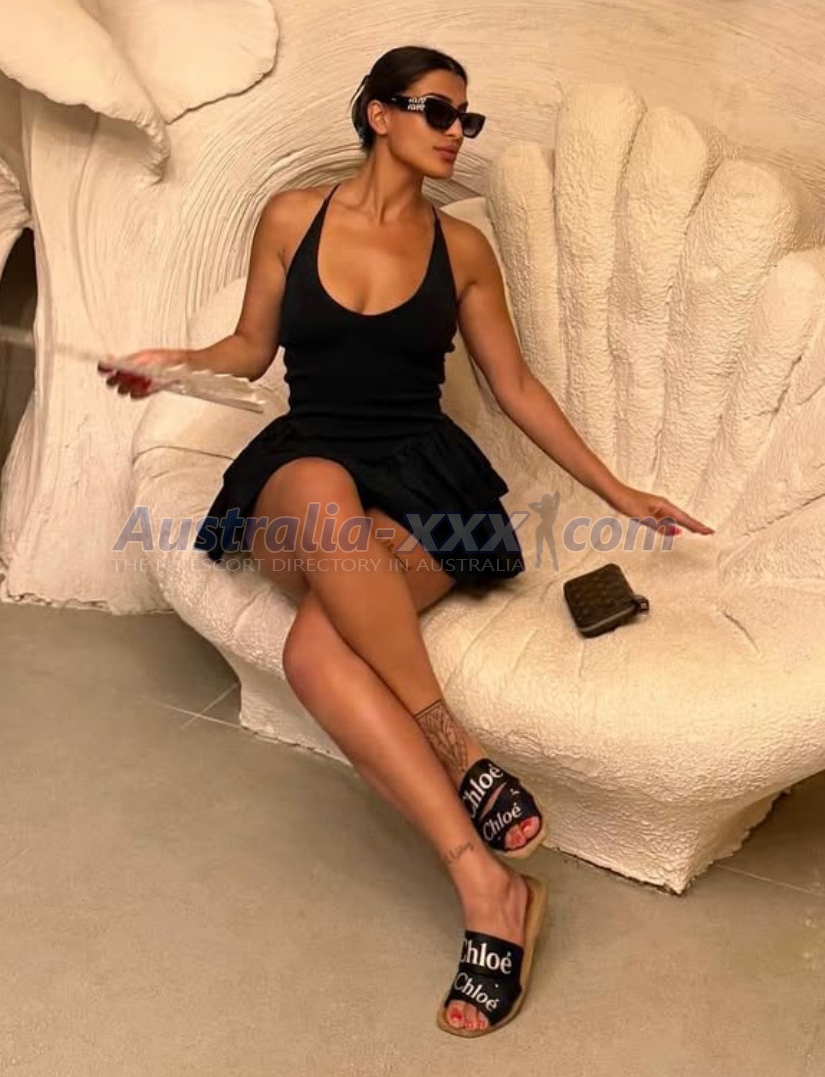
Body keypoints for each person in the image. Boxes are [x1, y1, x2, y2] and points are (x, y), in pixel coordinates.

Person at [100, 44, 714, 1037]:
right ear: (378, 114)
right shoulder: (292, 218)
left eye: (466, 119)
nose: (455, 132)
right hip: (305, 472)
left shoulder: (461, 251)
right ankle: (455, 744)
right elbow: (249, 350)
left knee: (315, 654)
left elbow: (516, 389)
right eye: (437, 110)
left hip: (423, 483)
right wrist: (173, 363)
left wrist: (619, 491)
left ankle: (490, 891)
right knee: (318, 488)